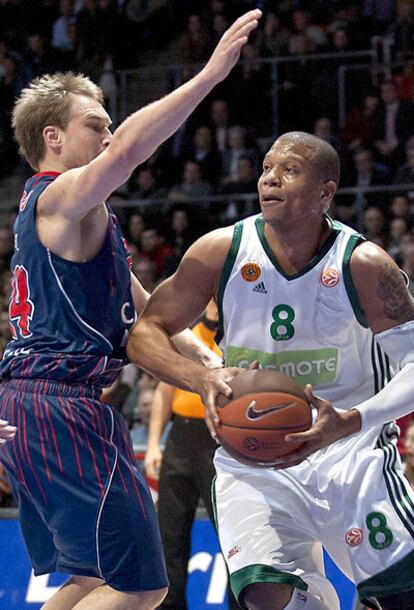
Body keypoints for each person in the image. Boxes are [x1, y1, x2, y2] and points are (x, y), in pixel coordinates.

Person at [0, 9, 262, 610]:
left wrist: (210, 363)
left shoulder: (87, 223)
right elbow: (129, 156)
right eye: (97, 124)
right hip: (60, 407)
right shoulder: (56, 197)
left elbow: (153, 321)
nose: (110, 136)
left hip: (40, 407)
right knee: (141, 586)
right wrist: (208, 77)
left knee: (91, 581)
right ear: (53, 138)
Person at [128, 131, 414, 610]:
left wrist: (352, 420)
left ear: (326, 191)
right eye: (265, 169)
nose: (270, 180)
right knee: (265, 597)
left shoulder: (363, 264)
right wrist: (200, 377)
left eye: (289, 170)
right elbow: (144, 333)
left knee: (401, 595)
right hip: (254, 456)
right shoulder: (220, 251)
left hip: (349, 452)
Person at [144, 299, 238, 610]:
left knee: (232, 536)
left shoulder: (236, 331)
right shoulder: (188, 333)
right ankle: (169, 606)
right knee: (169, 535)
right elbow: (163, 392)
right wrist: (154, 444)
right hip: (181, 438)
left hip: (221, 439)